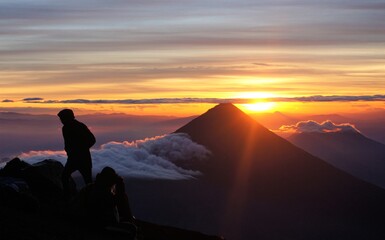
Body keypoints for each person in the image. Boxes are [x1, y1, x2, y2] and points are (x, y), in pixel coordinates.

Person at [70, 167, 136, 239]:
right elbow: (117, 201)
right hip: (101, 226)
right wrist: (121, 187)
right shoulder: (102, 192)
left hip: (90, 222)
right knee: (132, 229)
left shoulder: (91, 187)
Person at [58, 109, 96, 198]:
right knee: (65, 176)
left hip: (82, 159)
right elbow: (68, 143)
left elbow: (92, 140)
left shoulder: (79, 126)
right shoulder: (65, 128)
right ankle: (68, 196)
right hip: (74, 158)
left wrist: (81, 149)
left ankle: (91, 200)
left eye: (62, 118)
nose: (61, 121)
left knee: (88, 182)